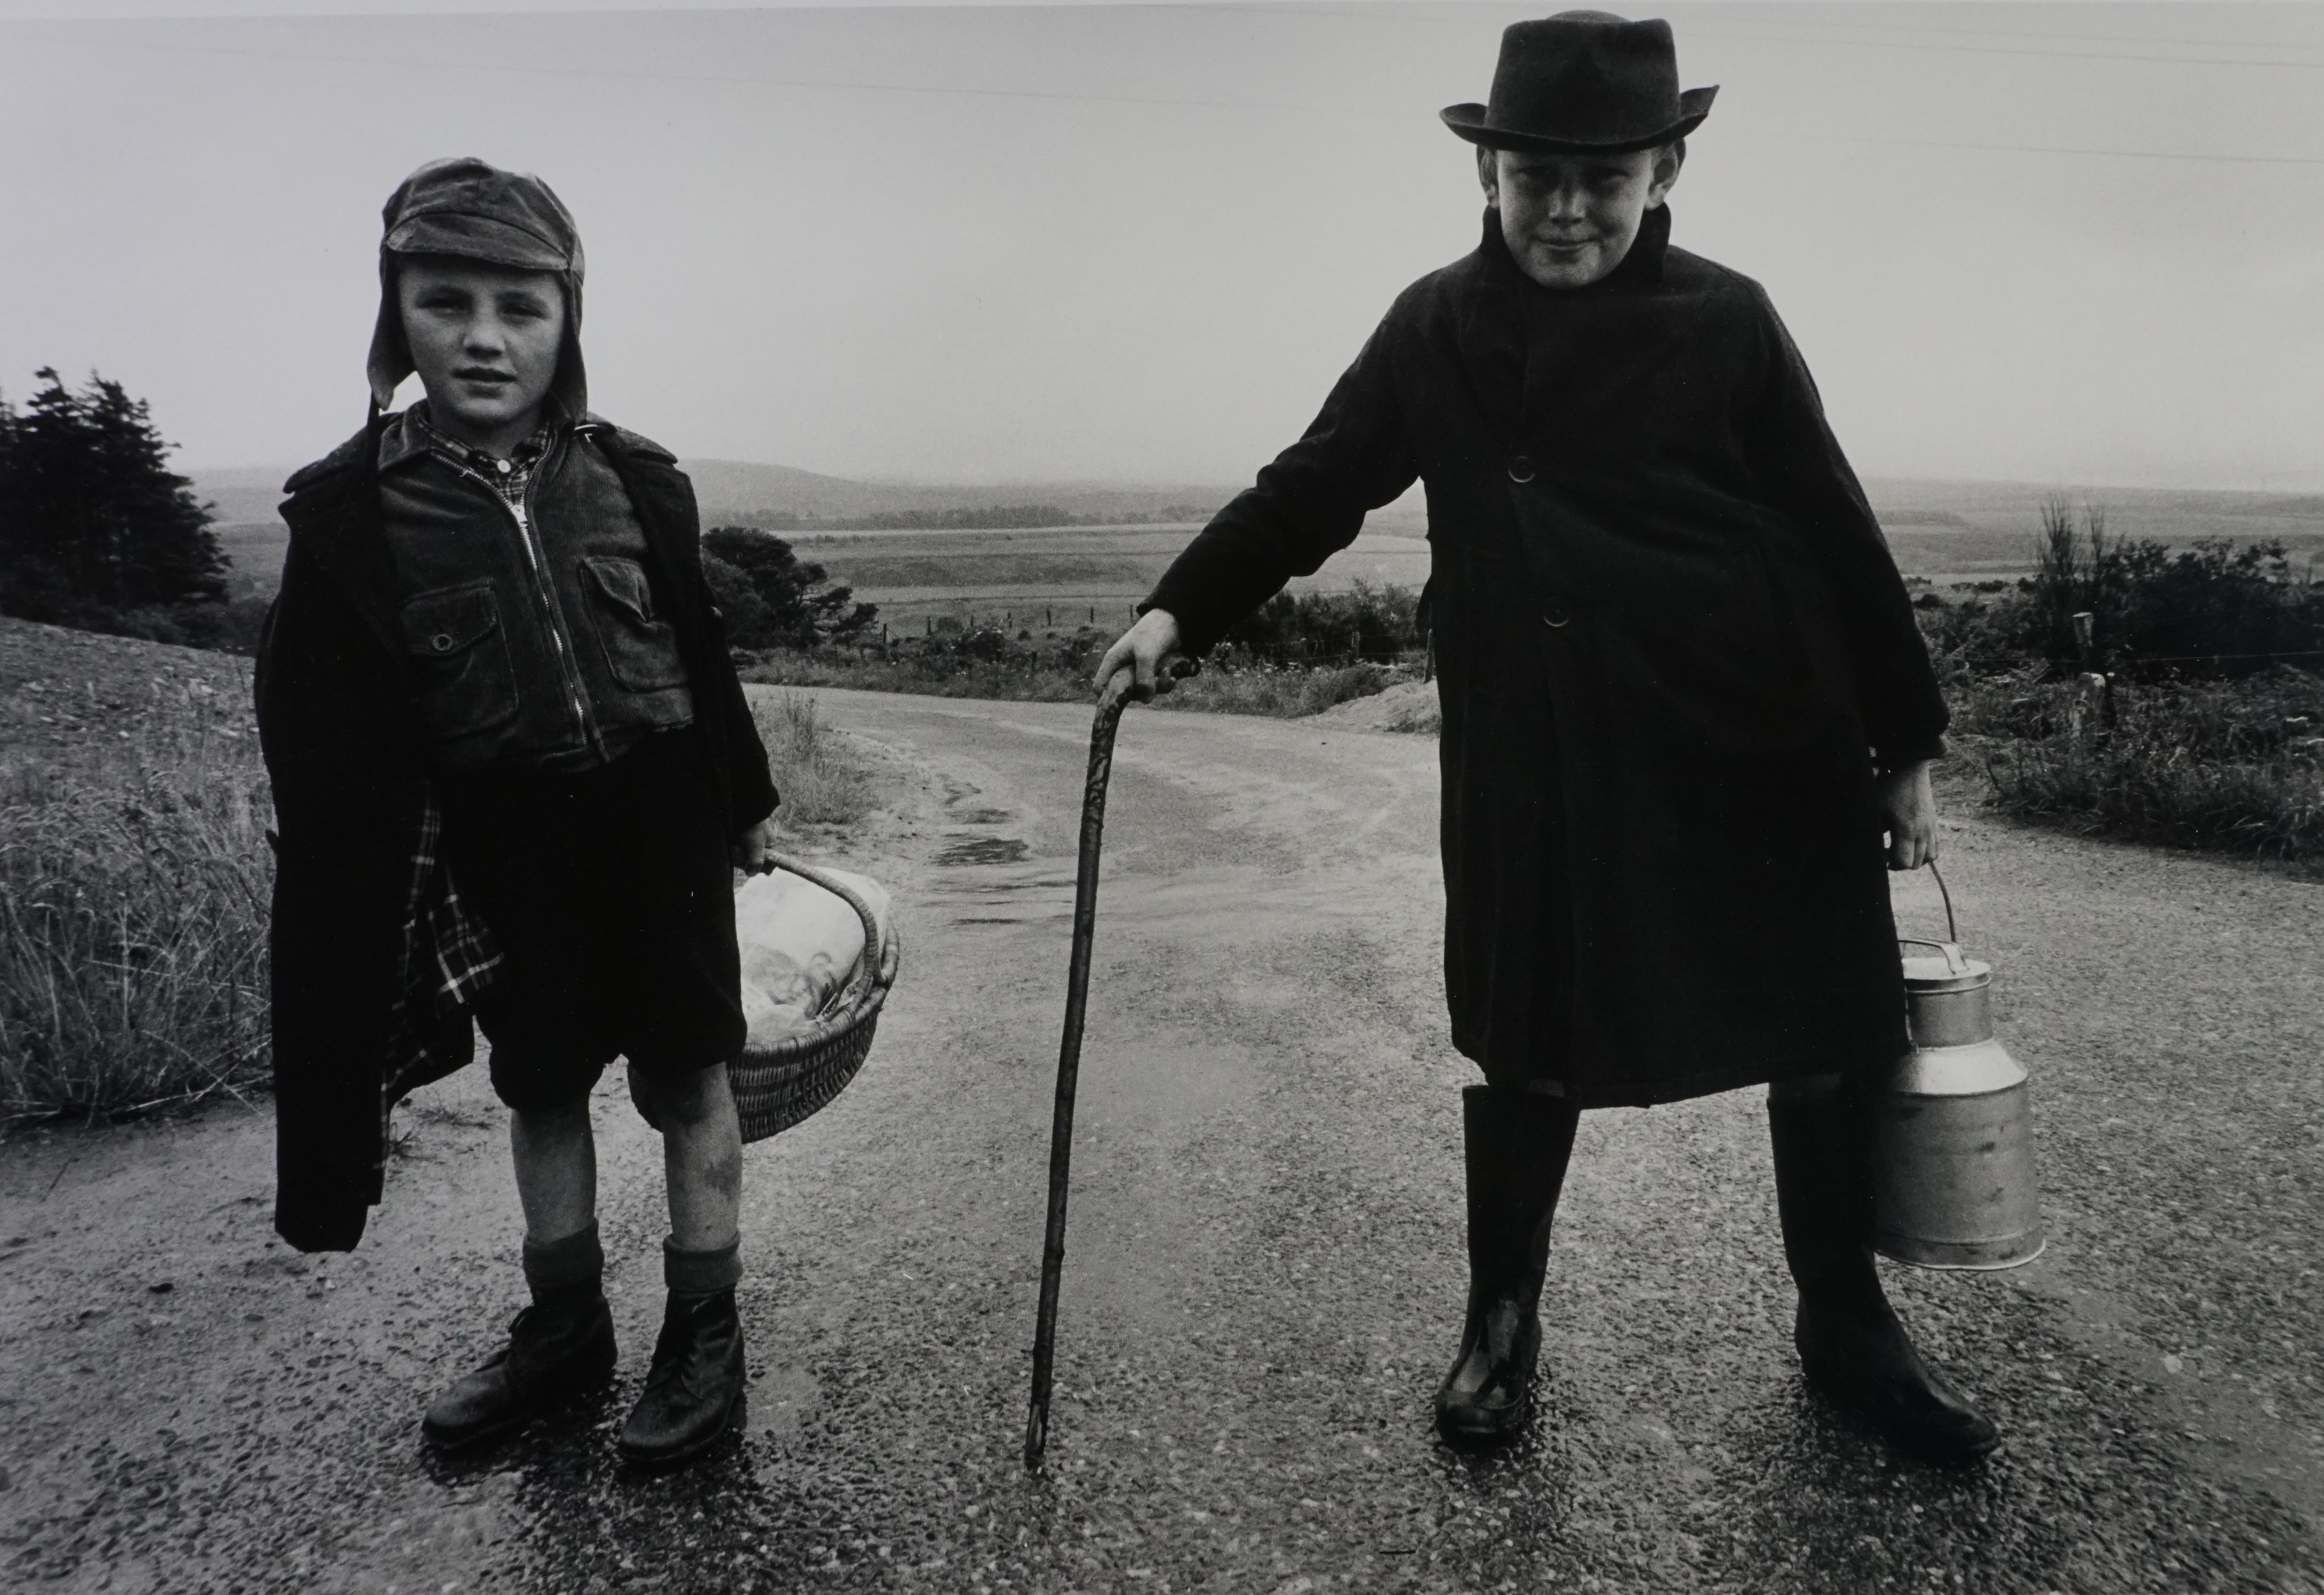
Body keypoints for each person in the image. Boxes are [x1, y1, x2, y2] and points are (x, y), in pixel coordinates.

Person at [1098, 12, 2001, 1462]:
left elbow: (1835, 528)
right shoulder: (1436, 325)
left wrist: (1902, 741)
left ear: (1664, 173)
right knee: (1528, 1035)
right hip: (1544, 744)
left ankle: (1845, 1320)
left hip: (1757, 724)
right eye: (1533, 179)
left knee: (1820, 1032)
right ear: (1488, 176)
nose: (1565, 210)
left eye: (1604, 178)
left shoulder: (1728, 317)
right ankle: (1500, 1324)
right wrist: (1173, 611)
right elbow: (1309, 488)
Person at [255, 158, 777, 1469]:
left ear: (569, 322)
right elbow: (318, 729)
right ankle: (566, 1330)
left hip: (659, 824)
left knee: (687, 1074)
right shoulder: (352, 513)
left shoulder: (637, 478)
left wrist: (746, 799)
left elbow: (699, 658)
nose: (485, 336)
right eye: (446, 301)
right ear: (396, 318)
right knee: (541, 1082)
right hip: (504, 840)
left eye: (520, 306)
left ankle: (702, 1329)